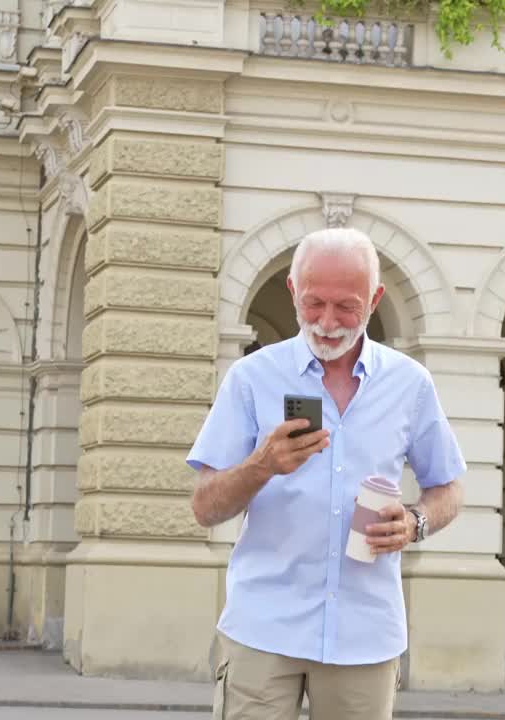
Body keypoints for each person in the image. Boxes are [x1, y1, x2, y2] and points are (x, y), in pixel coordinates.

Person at [186, 227, 467, 720]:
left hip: (365, 633)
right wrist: (262, 465)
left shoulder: (410, 385)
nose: (328, 322)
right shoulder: (252, 379)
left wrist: (416, 522)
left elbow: (448, 488)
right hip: (263, 627)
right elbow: (205, 507)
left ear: (375, 299)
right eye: (314, 303)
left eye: (347, 306)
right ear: (293, 291)